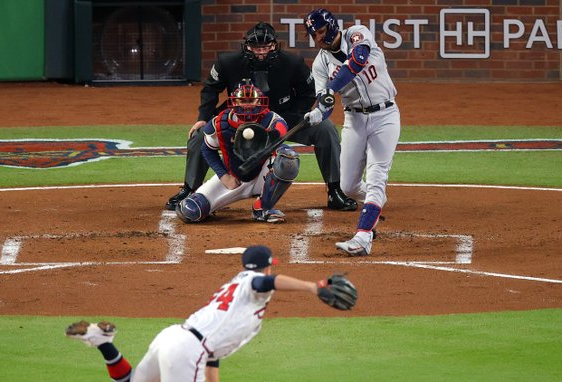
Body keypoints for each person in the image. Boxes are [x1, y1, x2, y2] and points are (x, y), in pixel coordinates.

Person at [65, 245, 353, 382]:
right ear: (267, 265)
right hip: (187, 350)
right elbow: (266, 282)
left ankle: (101, 339)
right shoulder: (253, 287)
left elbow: (212, 358)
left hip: (173, 338)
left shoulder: (232, 294)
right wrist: (313, 287)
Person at [165, 21, 357, 212]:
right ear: (246, 46)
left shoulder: (292, 63)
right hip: (239, 119)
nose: (261, 52)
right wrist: (203, 117)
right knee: (200, 136)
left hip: (281, 118)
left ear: (274, 45)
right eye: (256, 47)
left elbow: (308, 91)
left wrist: (292, 117)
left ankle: (334, 190)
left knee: (325, 129)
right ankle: (189, 189)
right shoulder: (227, 62)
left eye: (266, 47)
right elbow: (210, 90)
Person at [303, 8, 401, 256]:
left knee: (377, 174)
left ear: (333, 26)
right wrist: (319, 113)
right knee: (348, 186)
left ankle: (363, 237)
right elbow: (325, 103)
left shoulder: (358, 33)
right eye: (313, 35)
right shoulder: (320, 65)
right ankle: (375, 203)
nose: (318, 39)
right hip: (354, 119)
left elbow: (357, 60)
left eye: (321, 32)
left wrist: (331, 89)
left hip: (385, 116)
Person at [174, 81, 298, 224]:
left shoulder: (270, 119)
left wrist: (271, 135)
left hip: (263, 175)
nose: (247, 104)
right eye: (242, 100)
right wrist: (223, 176)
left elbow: (281, 128)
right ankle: (212, 203)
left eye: (251, 100)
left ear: (259, 101)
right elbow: (207, 149)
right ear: (235, 101)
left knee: (288, 158)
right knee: (191, 211)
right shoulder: (221, 123)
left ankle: (262, 208)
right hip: (233, 178)